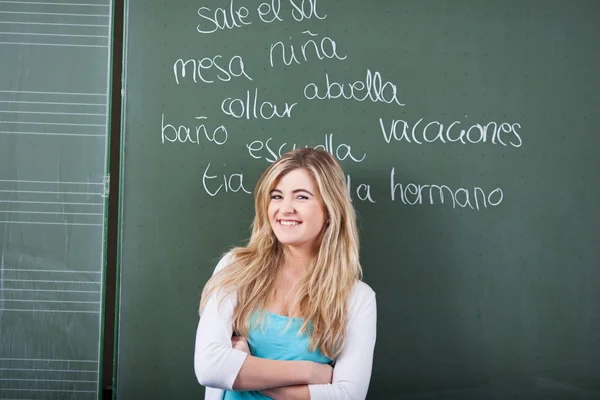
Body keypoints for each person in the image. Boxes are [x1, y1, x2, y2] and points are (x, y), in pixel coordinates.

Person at [194, 148, 377, 400]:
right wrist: (312, 373)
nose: (285, 208)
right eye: (276, 196)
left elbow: (347, 395)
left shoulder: (357, 298)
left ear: (329, 209)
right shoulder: (235, 268)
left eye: (301, 197)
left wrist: (246, 368)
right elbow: (210, 367)